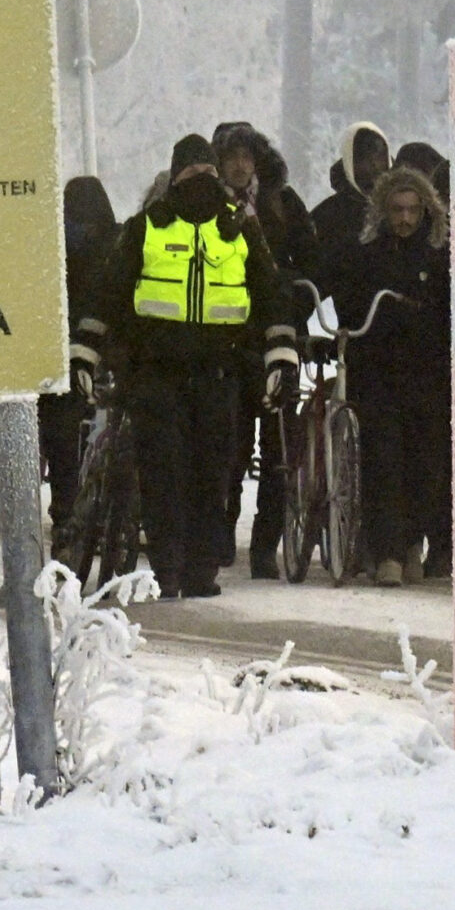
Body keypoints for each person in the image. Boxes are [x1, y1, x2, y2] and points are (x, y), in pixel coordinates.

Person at [75, 134, 297, 598]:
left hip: (220, 372)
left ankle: (199, 569)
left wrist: (281, 353)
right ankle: (170, 567)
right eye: (192, 172)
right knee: (164, 471)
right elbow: (109, 292)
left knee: (212, 471)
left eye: (207, 171)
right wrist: (87, 350)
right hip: (156, 373)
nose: (201, 180)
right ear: (176, 176)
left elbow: (270, 292)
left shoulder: (238, 230)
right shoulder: (146, 228)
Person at [334, 162, 455, 586]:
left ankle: (410, 543)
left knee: (425, 464)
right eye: (397, 209)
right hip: (380, 373)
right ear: (384, 211)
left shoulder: (441, 257)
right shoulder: (367, 253)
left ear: (426, 211)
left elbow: (453, 311)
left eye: (412, 210)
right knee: (383, 459)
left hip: (427, 375)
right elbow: (349, 306)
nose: (404, 218)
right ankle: (386, 550)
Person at [212, 124, 311, 580]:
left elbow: (314, 263)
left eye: (246, 157)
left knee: (279, 451)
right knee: (229, 446)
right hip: (228, 344)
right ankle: (221, 532)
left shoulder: (283, 205)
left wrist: (294, 306)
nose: (239, 165)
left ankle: (265, 546)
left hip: (277, 341)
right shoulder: (207, 207)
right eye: (231, 157)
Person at [45, 176, 120, 539]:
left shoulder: (55, 244)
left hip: (65, 350)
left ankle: (65, 509)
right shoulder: (116, 241)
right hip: (105, 346)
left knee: (62, 433)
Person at [309, 122, 390, 258]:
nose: (374, 164)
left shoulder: (403, 207)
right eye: (364, 157)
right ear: (349, 161)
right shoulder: (326, 216)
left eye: (379, 156)